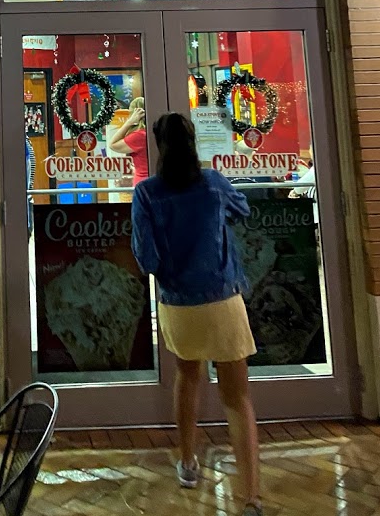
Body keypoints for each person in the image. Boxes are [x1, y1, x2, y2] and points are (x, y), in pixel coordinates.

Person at [131, 112, 261, 516]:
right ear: (193, 142)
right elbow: (243, 210)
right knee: (237, 398)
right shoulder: (213, 183)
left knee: (187, 378)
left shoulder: (147, 193)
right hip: (223, 299)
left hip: (178, 304)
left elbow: (146, 258)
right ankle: (251, 497)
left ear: (158, 146)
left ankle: (188, 463)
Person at [108, 98, 149, 184]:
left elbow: (112, 144)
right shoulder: (151, 132)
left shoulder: (140, 136)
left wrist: (129, 122)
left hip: (143, 182)